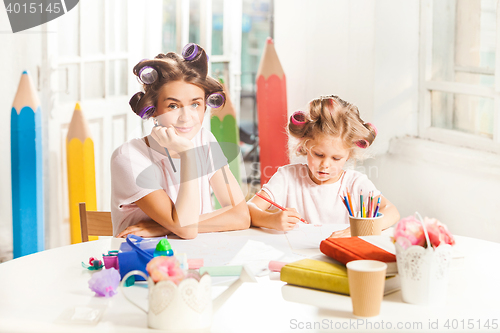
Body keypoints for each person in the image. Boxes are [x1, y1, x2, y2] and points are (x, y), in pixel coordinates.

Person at [111, 44, 250, 239]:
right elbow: (186, 230)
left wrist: (166, 227)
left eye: (195, 104)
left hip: (201, 259)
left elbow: (240, 216)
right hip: (144, 263)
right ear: (154, 109)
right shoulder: (128, 157)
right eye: (173, 105)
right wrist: (187, 155)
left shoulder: (204, 140)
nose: (186, 117)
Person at [247, 95, 399, 237]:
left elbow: (392, 212)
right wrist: (271, 219)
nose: (325, 164)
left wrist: (354, 230)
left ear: (349, 155)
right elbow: (249, 208)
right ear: (306, 146)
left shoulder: (355, 183)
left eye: (336, 158)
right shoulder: (287, 177)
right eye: (318, 154)